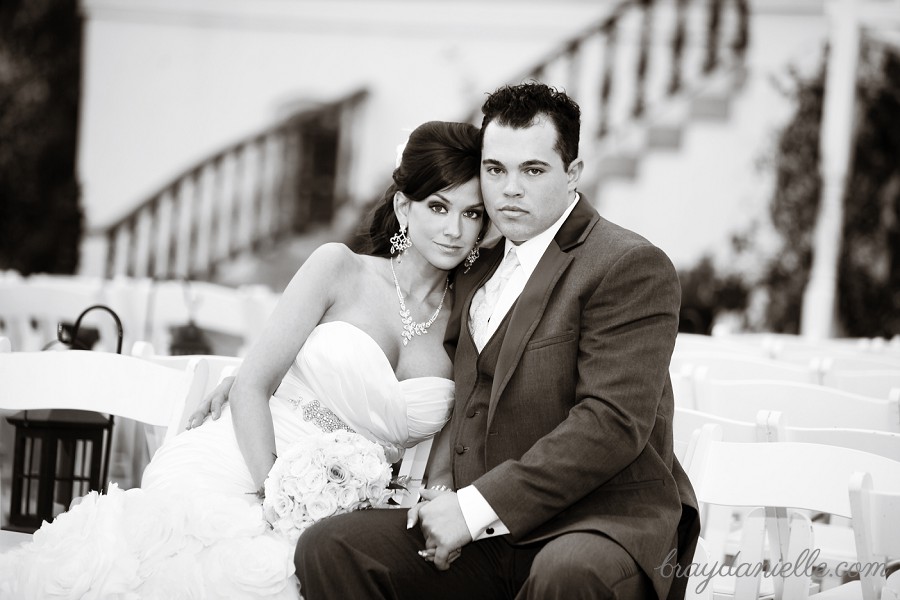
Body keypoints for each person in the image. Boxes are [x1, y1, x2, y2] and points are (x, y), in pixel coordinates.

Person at [0, 120, 486, 600]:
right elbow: (252, 384)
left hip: (350, 505)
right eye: (438, 207)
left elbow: (444, 464)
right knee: (216, 563)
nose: (453, 230)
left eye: (472, 214)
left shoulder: (473, 318)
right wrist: (279, 494)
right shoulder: (339, 267)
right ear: (404, 206)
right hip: (247, 456)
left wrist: (430, 506)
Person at [290, 83, 701, 600]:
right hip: (487, 533)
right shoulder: (474, 266)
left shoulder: (627, 265)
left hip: (598, 523)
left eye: (533, 170)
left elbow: (612, 423)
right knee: (331, 547)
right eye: (494, 169)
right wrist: (274, 375)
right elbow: (413, 356)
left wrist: (473, 507)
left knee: (566, 574)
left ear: (572, 173)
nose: (509, 189)